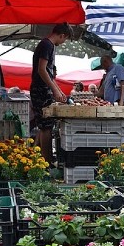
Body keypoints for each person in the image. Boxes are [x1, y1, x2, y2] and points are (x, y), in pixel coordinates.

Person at [30, 23, 71, 165]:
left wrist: (58, 90)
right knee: (46, 126)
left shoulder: (49, 46)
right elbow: (42, 70)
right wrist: (54, 90)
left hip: (43, 89)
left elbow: (49, 74)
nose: (63, 42)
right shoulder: (47, 45)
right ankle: (47, 160)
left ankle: (41, 159)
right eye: (64, 39)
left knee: (43, 125)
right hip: (40, 89)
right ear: (62, 35)